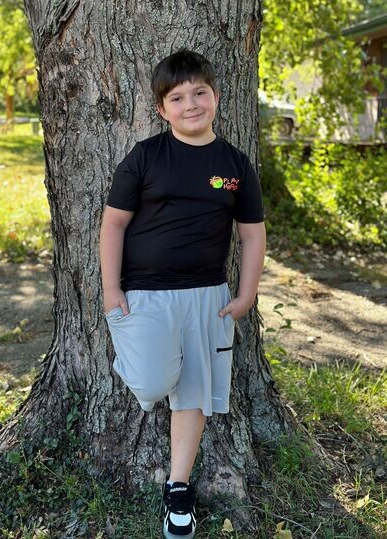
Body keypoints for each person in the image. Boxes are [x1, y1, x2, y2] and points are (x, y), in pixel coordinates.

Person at [99, 49, 266, 539]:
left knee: (192, 393)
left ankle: (178, 488)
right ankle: (144, 355)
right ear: (161, 108)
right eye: (178, 97)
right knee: (153, 384)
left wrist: (247, 293)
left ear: (216, 96)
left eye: (200, 93)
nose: (191, 104)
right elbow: (113, 224)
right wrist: (111, 289)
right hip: (145, 295)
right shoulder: (145, 157)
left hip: (206, 296)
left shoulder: (235, 165)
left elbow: (252, 235)